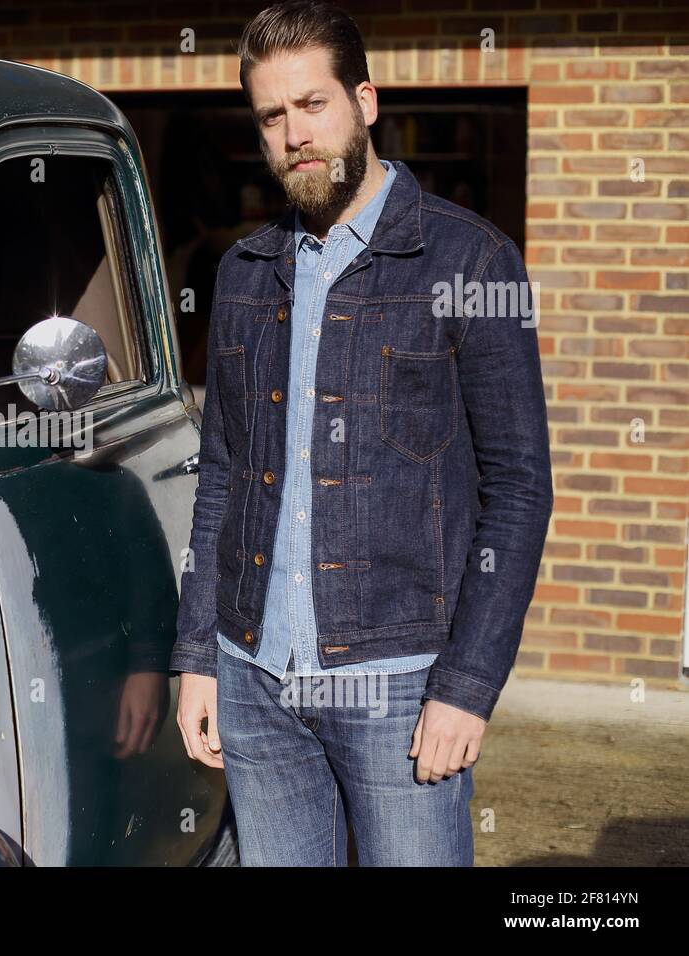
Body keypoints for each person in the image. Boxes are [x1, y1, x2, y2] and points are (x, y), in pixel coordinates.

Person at [171, 0, 553, 865]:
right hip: (255, 677)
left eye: (314, 104)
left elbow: (520, 491)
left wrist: (469, 686)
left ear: (366, 102)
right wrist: (199, 654)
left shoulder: (471, 263)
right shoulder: (243, 271)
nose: (294, 134)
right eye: (272, 115)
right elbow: (223, 477)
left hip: (400, 687)